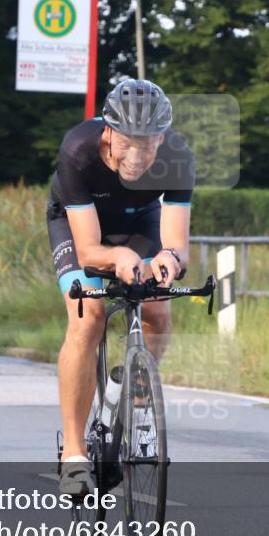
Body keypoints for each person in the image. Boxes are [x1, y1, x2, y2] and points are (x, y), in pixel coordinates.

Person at [46, 78, 194, 494]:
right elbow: (91, 250)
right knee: (88, 315)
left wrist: (170, 259)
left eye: (148, 145)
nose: (136, 156)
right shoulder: (77, 150)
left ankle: (136, 404)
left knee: (157, 309)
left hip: (137, 223)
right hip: (77, 224)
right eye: (128, 142)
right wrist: (116, 258)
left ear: (162, 139)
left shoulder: (178, 156)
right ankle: (74, 453)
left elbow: (178, 246)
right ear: (108, 131)